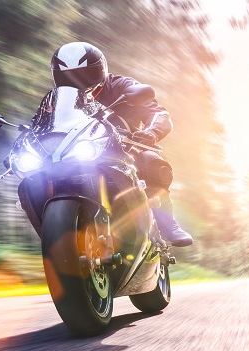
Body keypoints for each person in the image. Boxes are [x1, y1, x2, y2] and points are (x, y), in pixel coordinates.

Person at [29, 41, 193, 247]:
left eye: (83, 74)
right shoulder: (57, 100)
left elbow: (158, 113)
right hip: (75, 152)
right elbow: (40, 125)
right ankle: (59, 230)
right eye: (68, 76)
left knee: (152, 163)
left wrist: (151, 132)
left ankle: (168, 225)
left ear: (99, 70)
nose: (75, 81)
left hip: (124, 150)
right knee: (35, 173)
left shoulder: (122, 86)